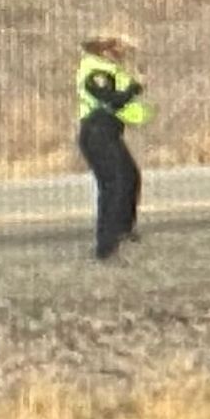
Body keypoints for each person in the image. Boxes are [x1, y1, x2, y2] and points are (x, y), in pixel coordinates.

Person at [74, 28, 152, 259]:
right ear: (104, 50)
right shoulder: (94, 72)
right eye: (116, 48)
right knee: (114, 185)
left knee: (129, 177)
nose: (122, 53)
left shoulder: (110, 70)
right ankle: (107, 246)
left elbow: (126, 105)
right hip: (97, 133)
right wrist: (134, 87)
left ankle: (123, 232)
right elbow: (111, 99)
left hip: (108, 132)